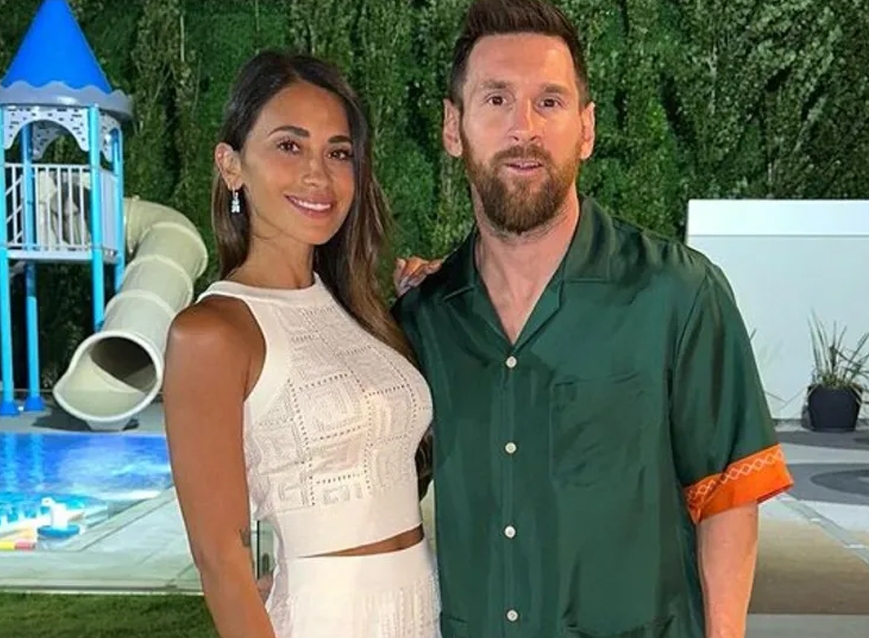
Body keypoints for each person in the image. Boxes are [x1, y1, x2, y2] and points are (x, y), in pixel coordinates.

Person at [391, 1, 795, 637]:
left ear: (586, 128)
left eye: (549, 102)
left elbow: (727, 498)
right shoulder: (422, 319)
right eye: (496, 99)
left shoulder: (678, 294)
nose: (523, 127)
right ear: (452, 126)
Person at [162, 50, 439, 638]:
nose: (319, 174)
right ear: (231, 165)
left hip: (422, 605)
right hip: (326, 617)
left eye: (338, 153)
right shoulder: (212, 332)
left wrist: (444, 303)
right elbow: (220, 559)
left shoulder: (357, 312)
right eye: (289, 145)